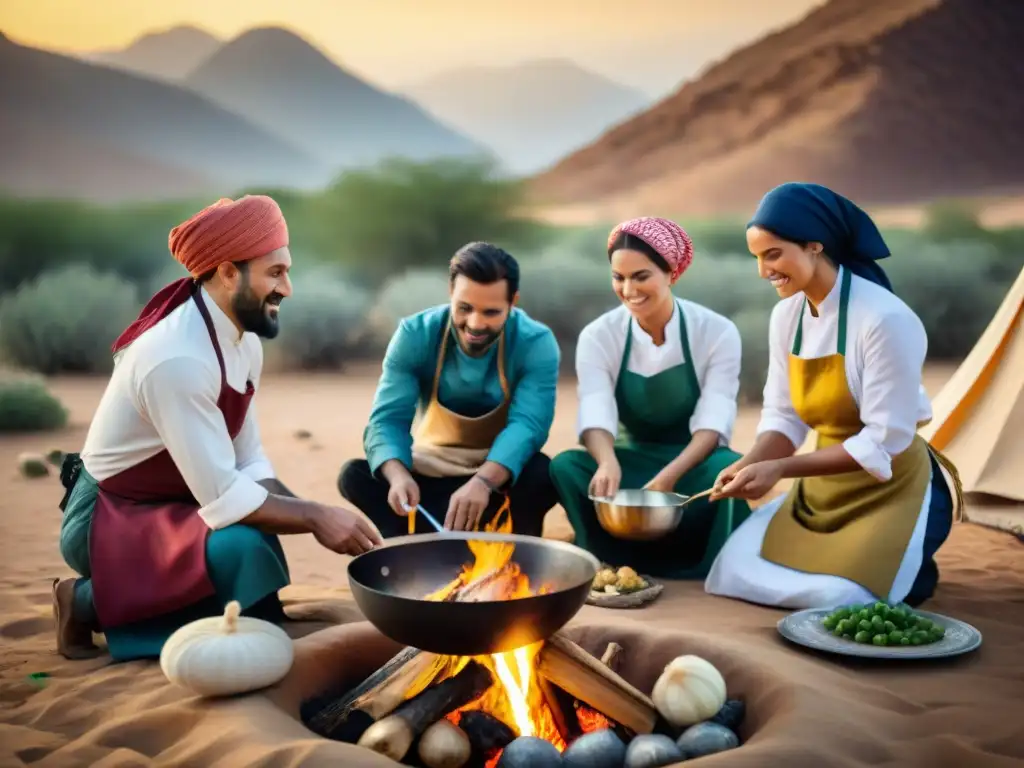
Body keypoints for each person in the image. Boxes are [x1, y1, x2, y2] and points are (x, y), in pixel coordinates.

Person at [53, 195, 382, 662]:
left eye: (287, 271)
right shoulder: (176, 359)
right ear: (228, 272)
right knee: (238, 546)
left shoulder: (242, 337)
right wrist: (313, 517)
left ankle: (252, 617)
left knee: (260, 529)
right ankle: (82, 601)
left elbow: (247, 461)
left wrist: (315, 514)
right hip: (109, 516)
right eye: (274, 273)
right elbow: (226, 498)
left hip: (185, 500)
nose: (287, 288)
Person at [704, 182, 962, 609]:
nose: (763, 271)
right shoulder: (787, 316)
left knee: (842, 599)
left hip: (892, 487)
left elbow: (885, 440)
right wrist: (749, 465)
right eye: (757, 258)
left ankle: (911, 560)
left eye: (773, 254)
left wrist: (781, 468)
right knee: (733, 572)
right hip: (821, 490)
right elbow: (784, 417)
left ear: (814, 246)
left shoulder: (885, 319)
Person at [548, 217, 752, 579]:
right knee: (566, 465)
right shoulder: (600, 335)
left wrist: (665, 482)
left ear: (671, 272)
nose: (628, 290)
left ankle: (708, 563)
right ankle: (602, 557)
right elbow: (596, 410)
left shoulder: (716, 331)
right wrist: (607, 461)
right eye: (618, 277)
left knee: (729, 467)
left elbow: (713, 423)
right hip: (630, 460)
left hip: (691, 464)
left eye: (641, 276)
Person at [338, 242, 561, 538]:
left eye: (491, 312)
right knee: (355, 476)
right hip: (431, 469)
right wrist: (398, 475)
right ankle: (414, 545)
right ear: (450, 292)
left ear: (513, 302)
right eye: (464, 308)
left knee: (542, 474)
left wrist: (483, 482)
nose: (475, 323)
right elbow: (388, 420)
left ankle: (513, 553)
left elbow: (528, 425)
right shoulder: (415, 334)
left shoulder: (536, 342)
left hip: (496, 476)